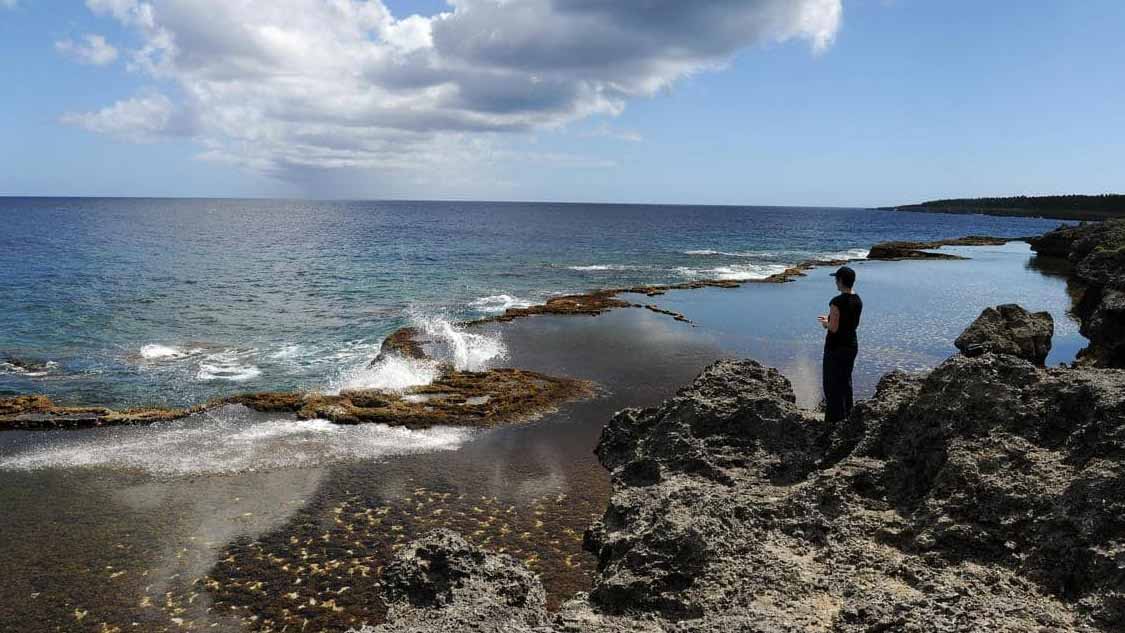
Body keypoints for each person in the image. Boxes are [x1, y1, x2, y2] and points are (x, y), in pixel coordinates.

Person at [818, 265, 862, 423]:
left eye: (836, 279)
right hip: (851, 344)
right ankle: (847, 417)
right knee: (845, 382)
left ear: (841, 281)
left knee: (831, 385)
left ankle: (832, 422)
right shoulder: (857, 299)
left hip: (835, 347)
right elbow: (848, 322)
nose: (835, 283)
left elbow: (834, 328)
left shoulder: (836, 301)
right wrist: (831, 320)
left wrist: (825, 323)